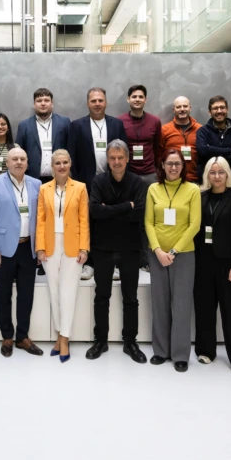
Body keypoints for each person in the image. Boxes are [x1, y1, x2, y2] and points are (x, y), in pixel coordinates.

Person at [194, 158, 231, 380]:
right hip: (203, 261)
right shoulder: (201, 197)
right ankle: (205, 350)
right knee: (204, 308)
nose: (217, 176)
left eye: (221, 172)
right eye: (213, 172)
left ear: (227, 174)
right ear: (207, 175)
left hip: (228, 263)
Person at [87, 140, 147, 363]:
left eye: (120, 157)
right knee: (102, 296)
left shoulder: (138, 182)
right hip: (103, 248)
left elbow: (138, 213)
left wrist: (109, 211)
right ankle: (100, 341)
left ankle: (130, 342)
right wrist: (125, 207)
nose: (116, 162)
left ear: (127, 159)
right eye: (112, 158)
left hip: (130, 248)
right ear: (107, 160)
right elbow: (95, 211)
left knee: (130, 297)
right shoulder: (98, 181)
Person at [0, 146, 43, 357]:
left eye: (22, 159)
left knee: (26, 295)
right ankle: (7, 336)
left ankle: (22, 337)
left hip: (28, 248)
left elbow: (40, 219)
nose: (18, 162)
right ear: (7, 163)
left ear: (27, 163)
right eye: (14, 159)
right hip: (4, 249)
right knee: (4, 295)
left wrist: (39, 248)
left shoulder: (36, 184)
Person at [144, 150, 202, 372]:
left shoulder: (192, 189)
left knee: (181, 305)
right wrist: (158, 250)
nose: (173, 167)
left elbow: (194, 224)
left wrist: (175, 251)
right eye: (169, 163)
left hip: (184, 254)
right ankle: (161, 351)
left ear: (183, 166)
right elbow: (149, 222)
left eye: (177, 163)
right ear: (162, 165)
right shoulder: (153, 189)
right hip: (157, 254)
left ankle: (180, 354)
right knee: (159, 303)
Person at [36, 149, 89, 362]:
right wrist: (39, 247)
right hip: (50, 245)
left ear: (70, 164)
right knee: (54, 292)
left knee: (68, 292)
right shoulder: (44, 189)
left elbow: (84, 220)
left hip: (73, 245)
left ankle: (64, 338)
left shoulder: (80, 188)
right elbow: (40, 220)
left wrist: (84, 248)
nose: (61, 166)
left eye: (65, 162)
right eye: (57, 163)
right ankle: (60, 334)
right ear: (52, 166)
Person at [68, 87, 128, 192]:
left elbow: (125, 153)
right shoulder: (77, 126)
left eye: (100, 100)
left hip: (114, 180)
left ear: (106, 103)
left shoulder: (117, 124)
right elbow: (71, 156)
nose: (97, 104)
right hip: (85, 183)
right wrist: (75, 181)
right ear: (88, 103)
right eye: (93, 101)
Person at [15, 88, 71, 183]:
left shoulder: (64, 122)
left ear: (52, 103)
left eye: (46, 100)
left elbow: (71, 149)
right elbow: (19, 152)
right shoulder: (24, 125)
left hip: (59, 178)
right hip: (32, 179)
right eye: (39, 101)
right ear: (34, 104)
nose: (43, 103)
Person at [196, 95, 231, 186]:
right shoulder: (202, 132)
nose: (219, 111)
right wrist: (230, 151)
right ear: (210, 112)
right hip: (209, 185)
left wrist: (213, 153)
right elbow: (203, 151)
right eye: (215, 108)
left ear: (227, 109)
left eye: (222, 107)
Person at [119, 84, 161, 185]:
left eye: (141, 97)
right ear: (128, 99)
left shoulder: (155, 121)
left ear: (145, 100)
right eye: (134, 97)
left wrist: (158, 170)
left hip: (150, 173)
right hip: (128, 173)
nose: (137, 99)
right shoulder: (119, 121)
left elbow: (157, 148)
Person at [159, 96, 201, 183]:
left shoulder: (200, 129)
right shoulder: (164, 130)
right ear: (173, 109)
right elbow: (159, 155)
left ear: (190, 108)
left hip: (194, 179)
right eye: (178, 107)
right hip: (171, 179)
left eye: (185, 106)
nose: (182, 109)